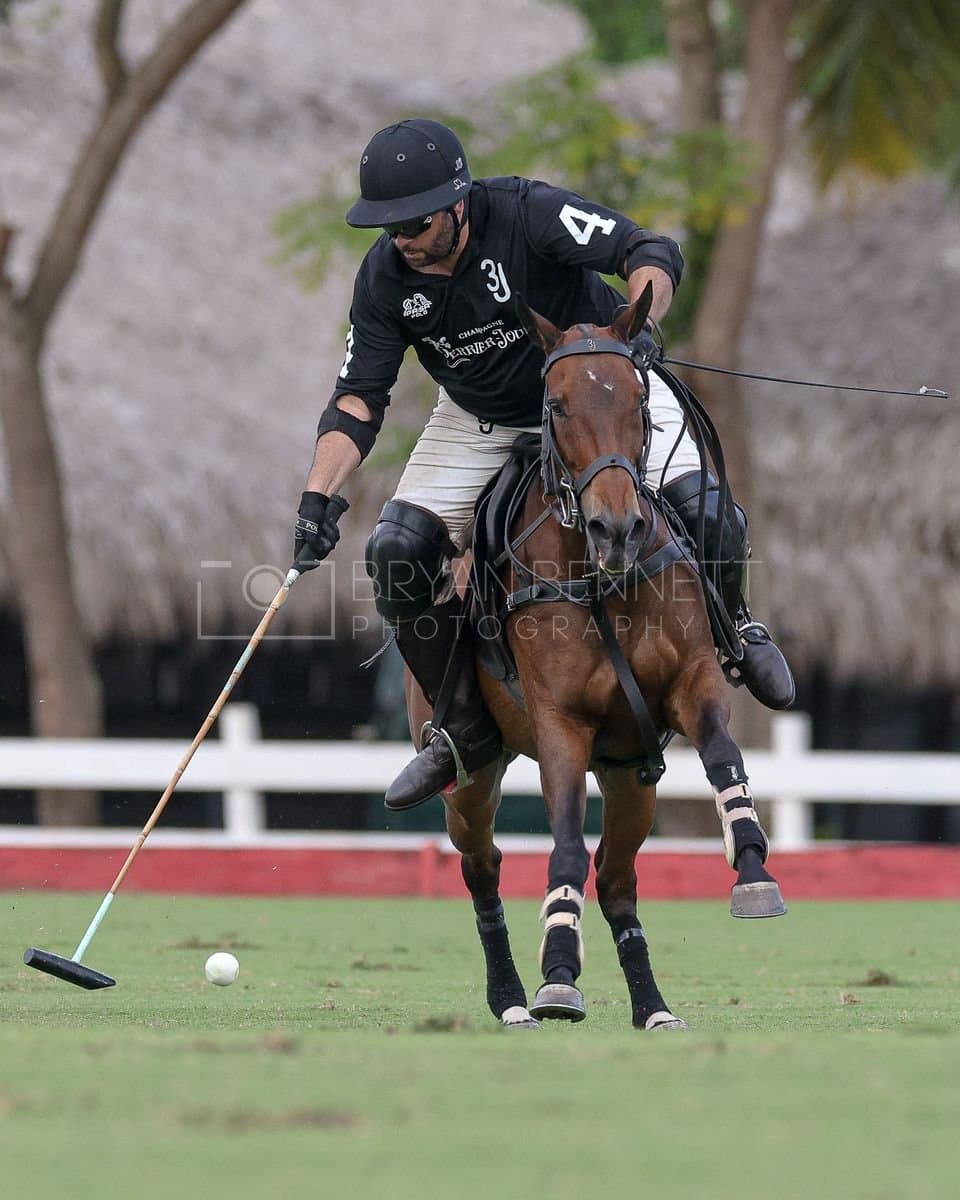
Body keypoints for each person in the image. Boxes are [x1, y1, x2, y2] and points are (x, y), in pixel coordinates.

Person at [293, 118, 794, 812]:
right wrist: (319, 499)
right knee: (395, 551)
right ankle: (459, 724)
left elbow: (647, 250)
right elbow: (357, 398)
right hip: (481, 417)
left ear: (459, 202)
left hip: (602, 399)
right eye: (390, 226)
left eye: (416, 223)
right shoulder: (384, 278)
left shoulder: (529, 213)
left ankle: (736, 628)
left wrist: (641, 331)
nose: (402, 239)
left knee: (705, 508)